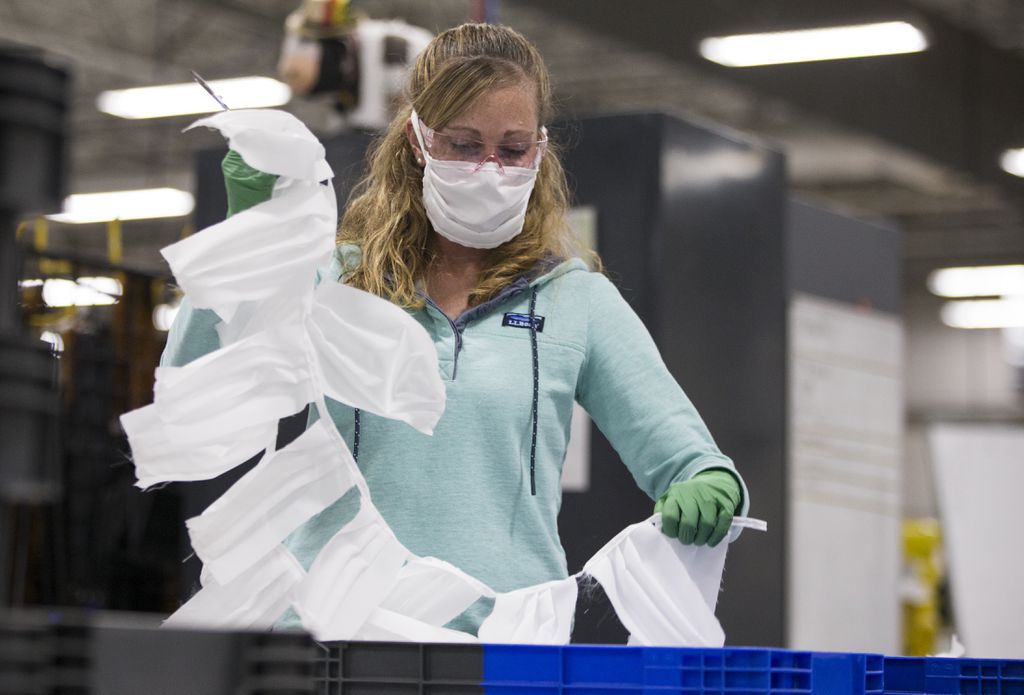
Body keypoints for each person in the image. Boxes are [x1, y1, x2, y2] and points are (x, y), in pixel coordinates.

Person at [162, 22, 748, 632]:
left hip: (505, 643)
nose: (490, 169)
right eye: (464, 146)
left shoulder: (577, 302)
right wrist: (244, 242)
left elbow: (694, 463)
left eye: (512, 148)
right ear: (418, 141)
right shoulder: (333, 280)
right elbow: (193, 388)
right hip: (336, 638)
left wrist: (710, 488)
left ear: (540, 149)